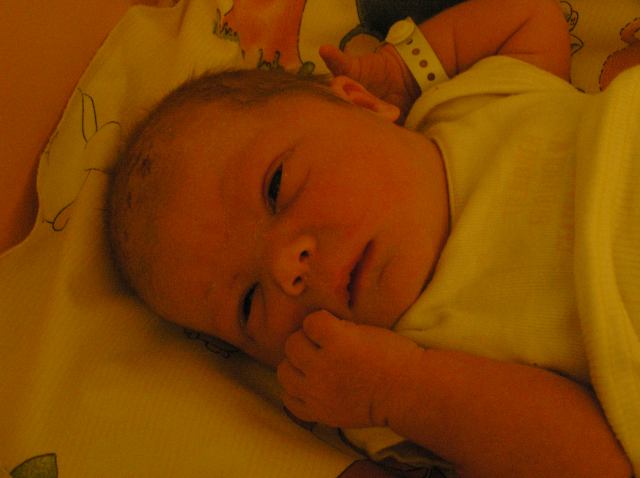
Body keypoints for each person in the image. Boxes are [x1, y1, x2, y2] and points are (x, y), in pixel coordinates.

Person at [107, 0, 637, 476]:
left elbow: (531, 15)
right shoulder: (393, 379)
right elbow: (598, 463)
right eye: (248, 304)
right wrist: (397, 388)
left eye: (276, 187)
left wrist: (402, 70)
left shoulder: (468, 101)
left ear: (360, 101)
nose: (285, 268)